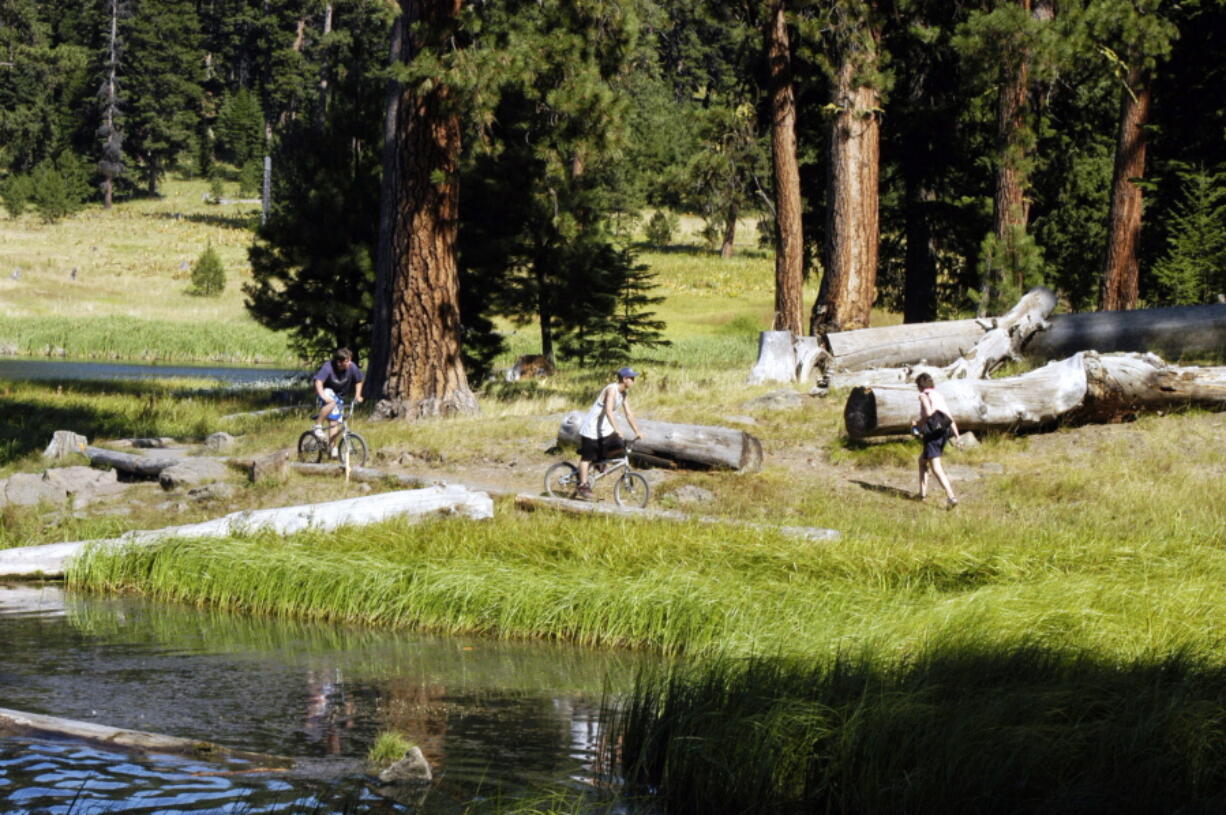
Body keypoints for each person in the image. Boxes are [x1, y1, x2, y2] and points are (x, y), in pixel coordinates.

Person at [575, 367, 643, 499]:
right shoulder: (611, 389)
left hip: (604, 428)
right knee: (587, 457)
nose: (634, 381)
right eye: (632, 378)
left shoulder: (624, 394)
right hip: (591, 428)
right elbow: (609, 411)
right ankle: (583, 484)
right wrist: (617, 429)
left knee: (618, 444)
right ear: (624, 379)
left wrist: (637, 431)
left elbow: (629, 414)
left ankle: (600, 461)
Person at [911, 372, 960, 508]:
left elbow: (928, 413)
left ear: (920, 386)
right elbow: (949, 417)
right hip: (944, 432)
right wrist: (957, 436)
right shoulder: (938, 395)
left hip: (932, 433)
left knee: (936, 467)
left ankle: (951, 496)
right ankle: (922, 494)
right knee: (922, 461)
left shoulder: (923, 395)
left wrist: (917, 424)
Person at [313, 347, 364, 456]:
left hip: (339, 397)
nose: (349, 363)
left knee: (334, 422)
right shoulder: (328, 367)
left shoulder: (352, 366)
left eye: (349, 360)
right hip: (325, 392)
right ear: (339, 362)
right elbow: (318, 382)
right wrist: (323, 396)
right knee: (331, 402)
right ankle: (317, 426)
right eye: (346, 361)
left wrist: (358, 395)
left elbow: (358, 381)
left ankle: (333, 448)